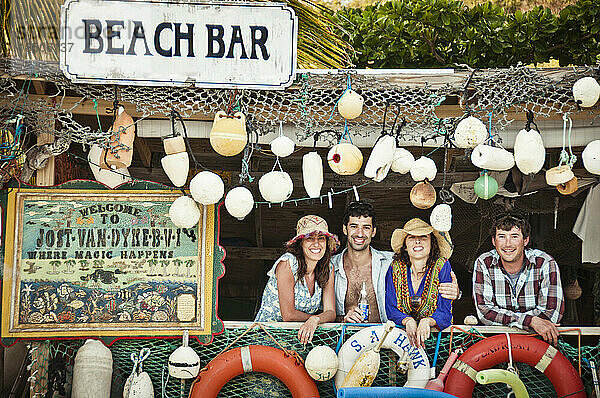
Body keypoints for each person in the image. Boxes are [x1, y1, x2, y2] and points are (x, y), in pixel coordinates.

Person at [332, 201, 459, 324]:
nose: (360, 233)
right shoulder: (331, 266)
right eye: (354, 226)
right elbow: (321, 310)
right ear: (344, 229)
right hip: (343, 338)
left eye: (366, 227)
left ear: (374, 231)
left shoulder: (392, 262)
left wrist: (456, 292)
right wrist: (343, 318)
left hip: (386, 338)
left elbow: (426, 269)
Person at [473, 213, 564, 345]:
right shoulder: (484, 263)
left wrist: (511, 319)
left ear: (525, 240)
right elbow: (485, 312)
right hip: (497, 344)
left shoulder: (545, 262)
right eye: (502, 237)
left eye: (514, 236)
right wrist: (531, 321)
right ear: (494, 241)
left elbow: (552, 313)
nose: (508, 244)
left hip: (540, 342)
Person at [255, 215, 338, 343]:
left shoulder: (328, 268)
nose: (316, 244)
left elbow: (331, 312)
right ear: (300, 243)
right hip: (267, 338)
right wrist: (314, 319)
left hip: (299, 340)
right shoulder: (288, 263)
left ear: (327, 243)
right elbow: (288, 315)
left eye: (321, 238)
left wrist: (315, 320)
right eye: (309, 238)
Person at [384, 218, 454, 347]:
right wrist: (408, 321)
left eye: (423, 236)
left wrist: (427, 321)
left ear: (432, 243)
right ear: (405, 246)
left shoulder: (442, 266)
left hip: (438, 341)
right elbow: (391, 308)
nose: (417, 241)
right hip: (400, 340)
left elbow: (445, 310)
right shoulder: (395, 267)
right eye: (411, 237)